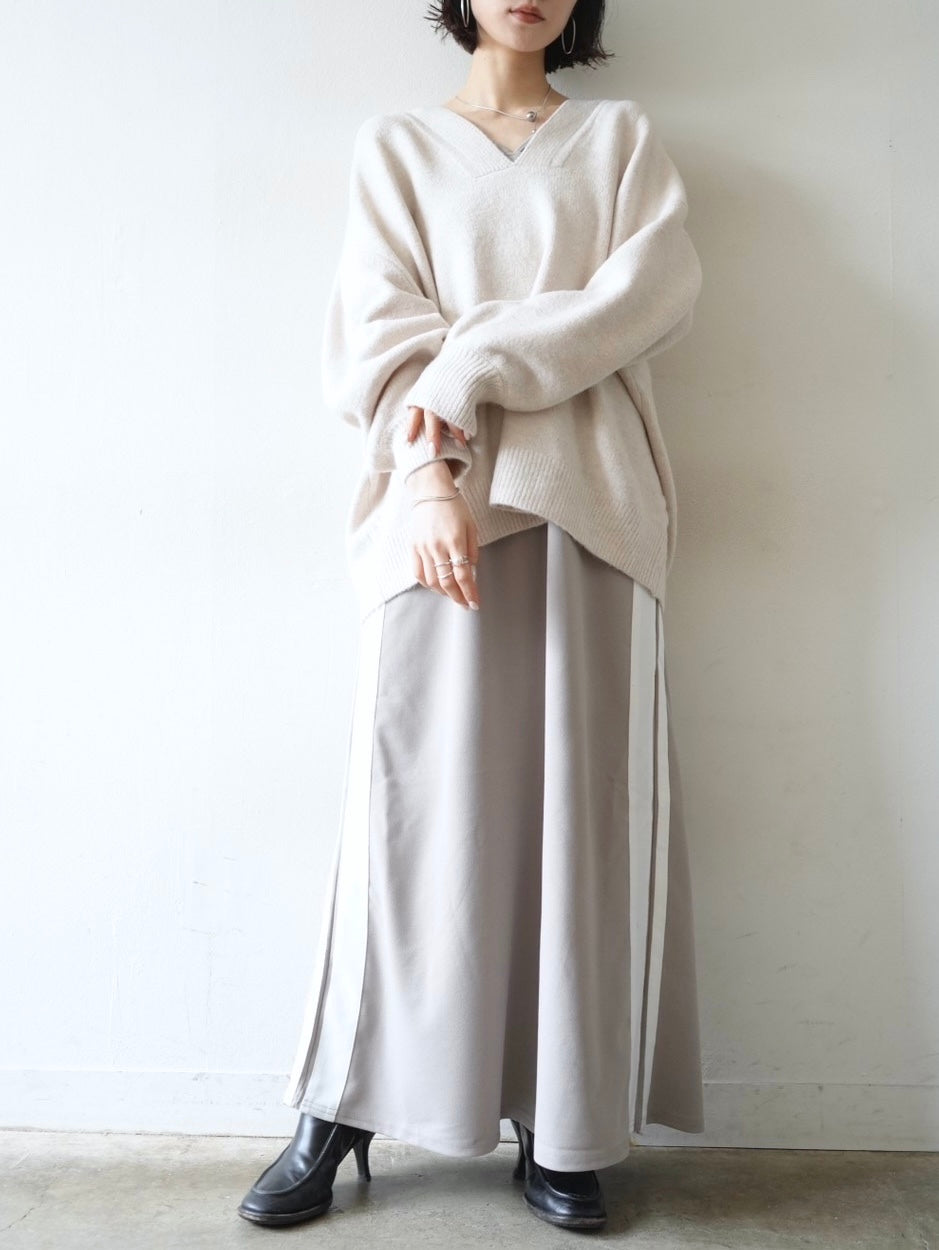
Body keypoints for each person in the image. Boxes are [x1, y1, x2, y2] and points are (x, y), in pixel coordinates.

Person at [238, 0, 705, 1233]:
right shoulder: (395, 146)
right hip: (434, 506)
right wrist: (431, 473)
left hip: (594, 504)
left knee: (577, 820)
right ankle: (339, 1106)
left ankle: (562, 1120)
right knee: (408, 816)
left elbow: (644, 297)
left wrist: (468, 369)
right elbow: (377, 335)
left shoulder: (620, 140)